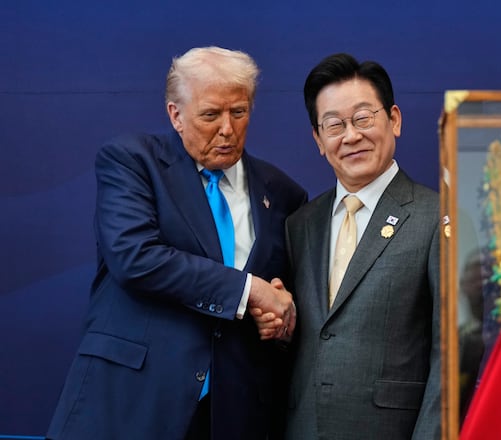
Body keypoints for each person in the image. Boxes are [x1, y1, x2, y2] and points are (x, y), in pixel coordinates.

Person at [47, 46, 307, 440]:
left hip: (234, 414)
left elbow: (284, 298)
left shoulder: (285, 193)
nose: (227, 128)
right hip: (132, 404)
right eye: (210, 114)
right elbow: (136, 258)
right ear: (176, 115)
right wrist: (248, 290)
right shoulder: (132, 161)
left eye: (238, 112)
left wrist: (281, 317)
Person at [282, 53, 440, 439]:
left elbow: (453, 354)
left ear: (395, 120)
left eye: (363, 118)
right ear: (319, 140)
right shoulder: (300, 224)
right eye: (334, 125)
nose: (351, 136)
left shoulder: (437, 217)